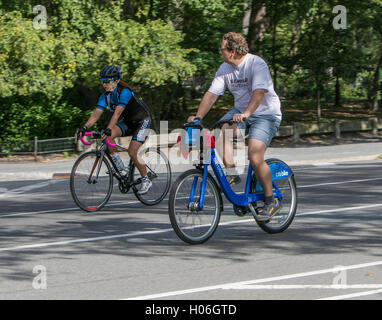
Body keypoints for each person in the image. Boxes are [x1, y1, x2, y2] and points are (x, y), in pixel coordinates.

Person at [187, 32, 282, 221]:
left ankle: (271, 201)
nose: (219, 52)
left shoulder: (256, 64)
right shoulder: (225, 68)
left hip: (265, 114)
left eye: (221, 49)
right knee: (221, 132)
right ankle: (231, 173)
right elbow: (212, 94)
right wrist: (197, 117)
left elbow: (259, 92)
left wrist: (247, 113)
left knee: (254, 155)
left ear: (232, 51)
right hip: (240, 111)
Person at [77, 65, 152, 195]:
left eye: (107, 81)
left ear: (116, 80)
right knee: (108, 137)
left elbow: (116, 114)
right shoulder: (105, 96)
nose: (104, 84)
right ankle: (120, 168)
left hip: (142, 121)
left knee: (132, 152)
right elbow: (96, 114)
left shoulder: (125, 92)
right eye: (102, 81)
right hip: (128, 122)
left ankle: (146, 179)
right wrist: (84, 128)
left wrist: (108, 129)